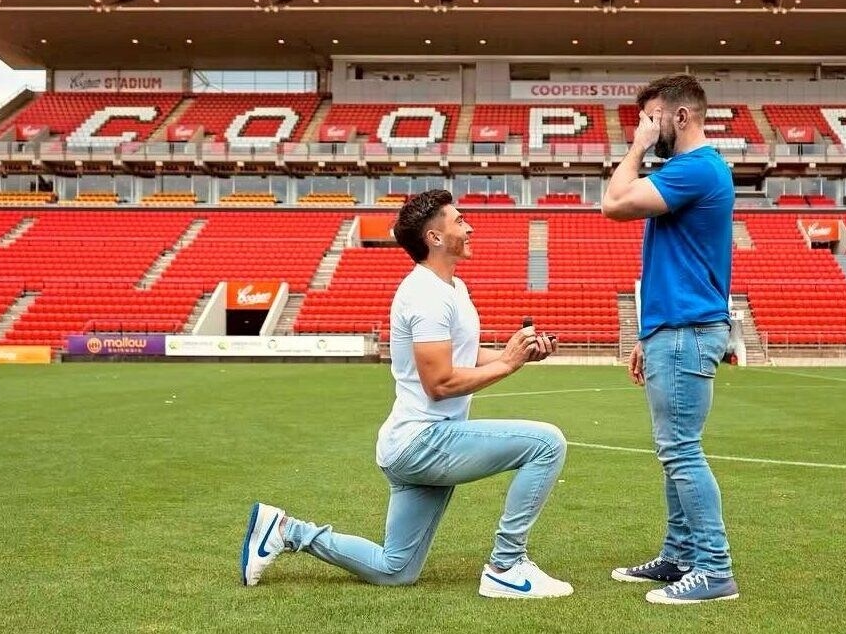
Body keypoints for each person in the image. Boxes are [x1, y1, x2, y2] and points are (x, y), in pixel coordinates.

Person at [240, 189, 573, 598]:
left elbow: (463, 356)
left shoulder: (453, 288)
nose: (469, 226)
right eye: (459, 220)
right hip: (424, 441)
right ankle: (507, 565)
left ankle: (286, 531)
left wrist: (514, 354)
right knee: (546, 443)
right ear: (434, 238)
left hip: (415, 444)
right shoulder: (425, 295)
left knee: (395, 570)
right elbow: (441, 384)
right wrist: (507, 365)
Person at [601, 74, 738, 604]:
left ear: (681, 117)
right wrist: (645, 333)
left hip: (686, 331)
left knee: (681, 450)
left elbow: (612, 204)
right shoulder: (690, 170)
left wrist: (635, 147)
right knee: (674, 450)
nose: (645, 127)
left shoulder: (696, 169)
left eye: (652, 117)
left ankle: (714, 568)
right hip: (672, 328)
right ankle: (681, 554)